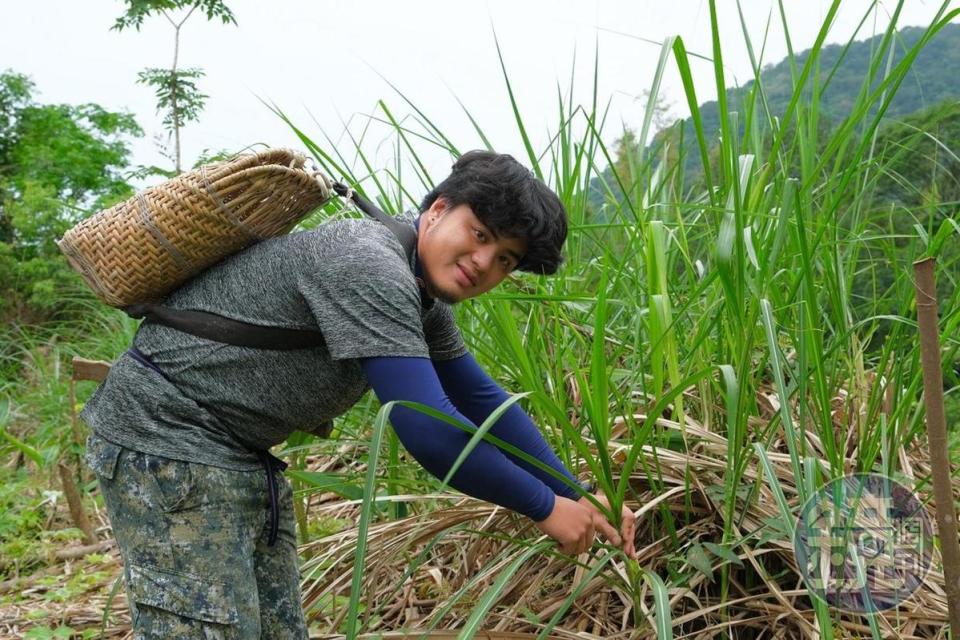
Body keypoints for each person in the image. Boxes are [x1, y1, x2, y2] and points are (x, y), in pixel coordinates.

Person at [81, 150, 636, 638]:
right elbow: (429, 429)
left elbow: (480, 399)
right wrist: (544, 507)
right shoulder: (367, 264)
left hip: (237, 456)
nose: (484, 263)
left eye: (506, 259)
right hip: (166, 439)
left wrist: (576, 491)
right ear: (438, 210)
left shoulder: (419, 295)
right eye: (482, 234)